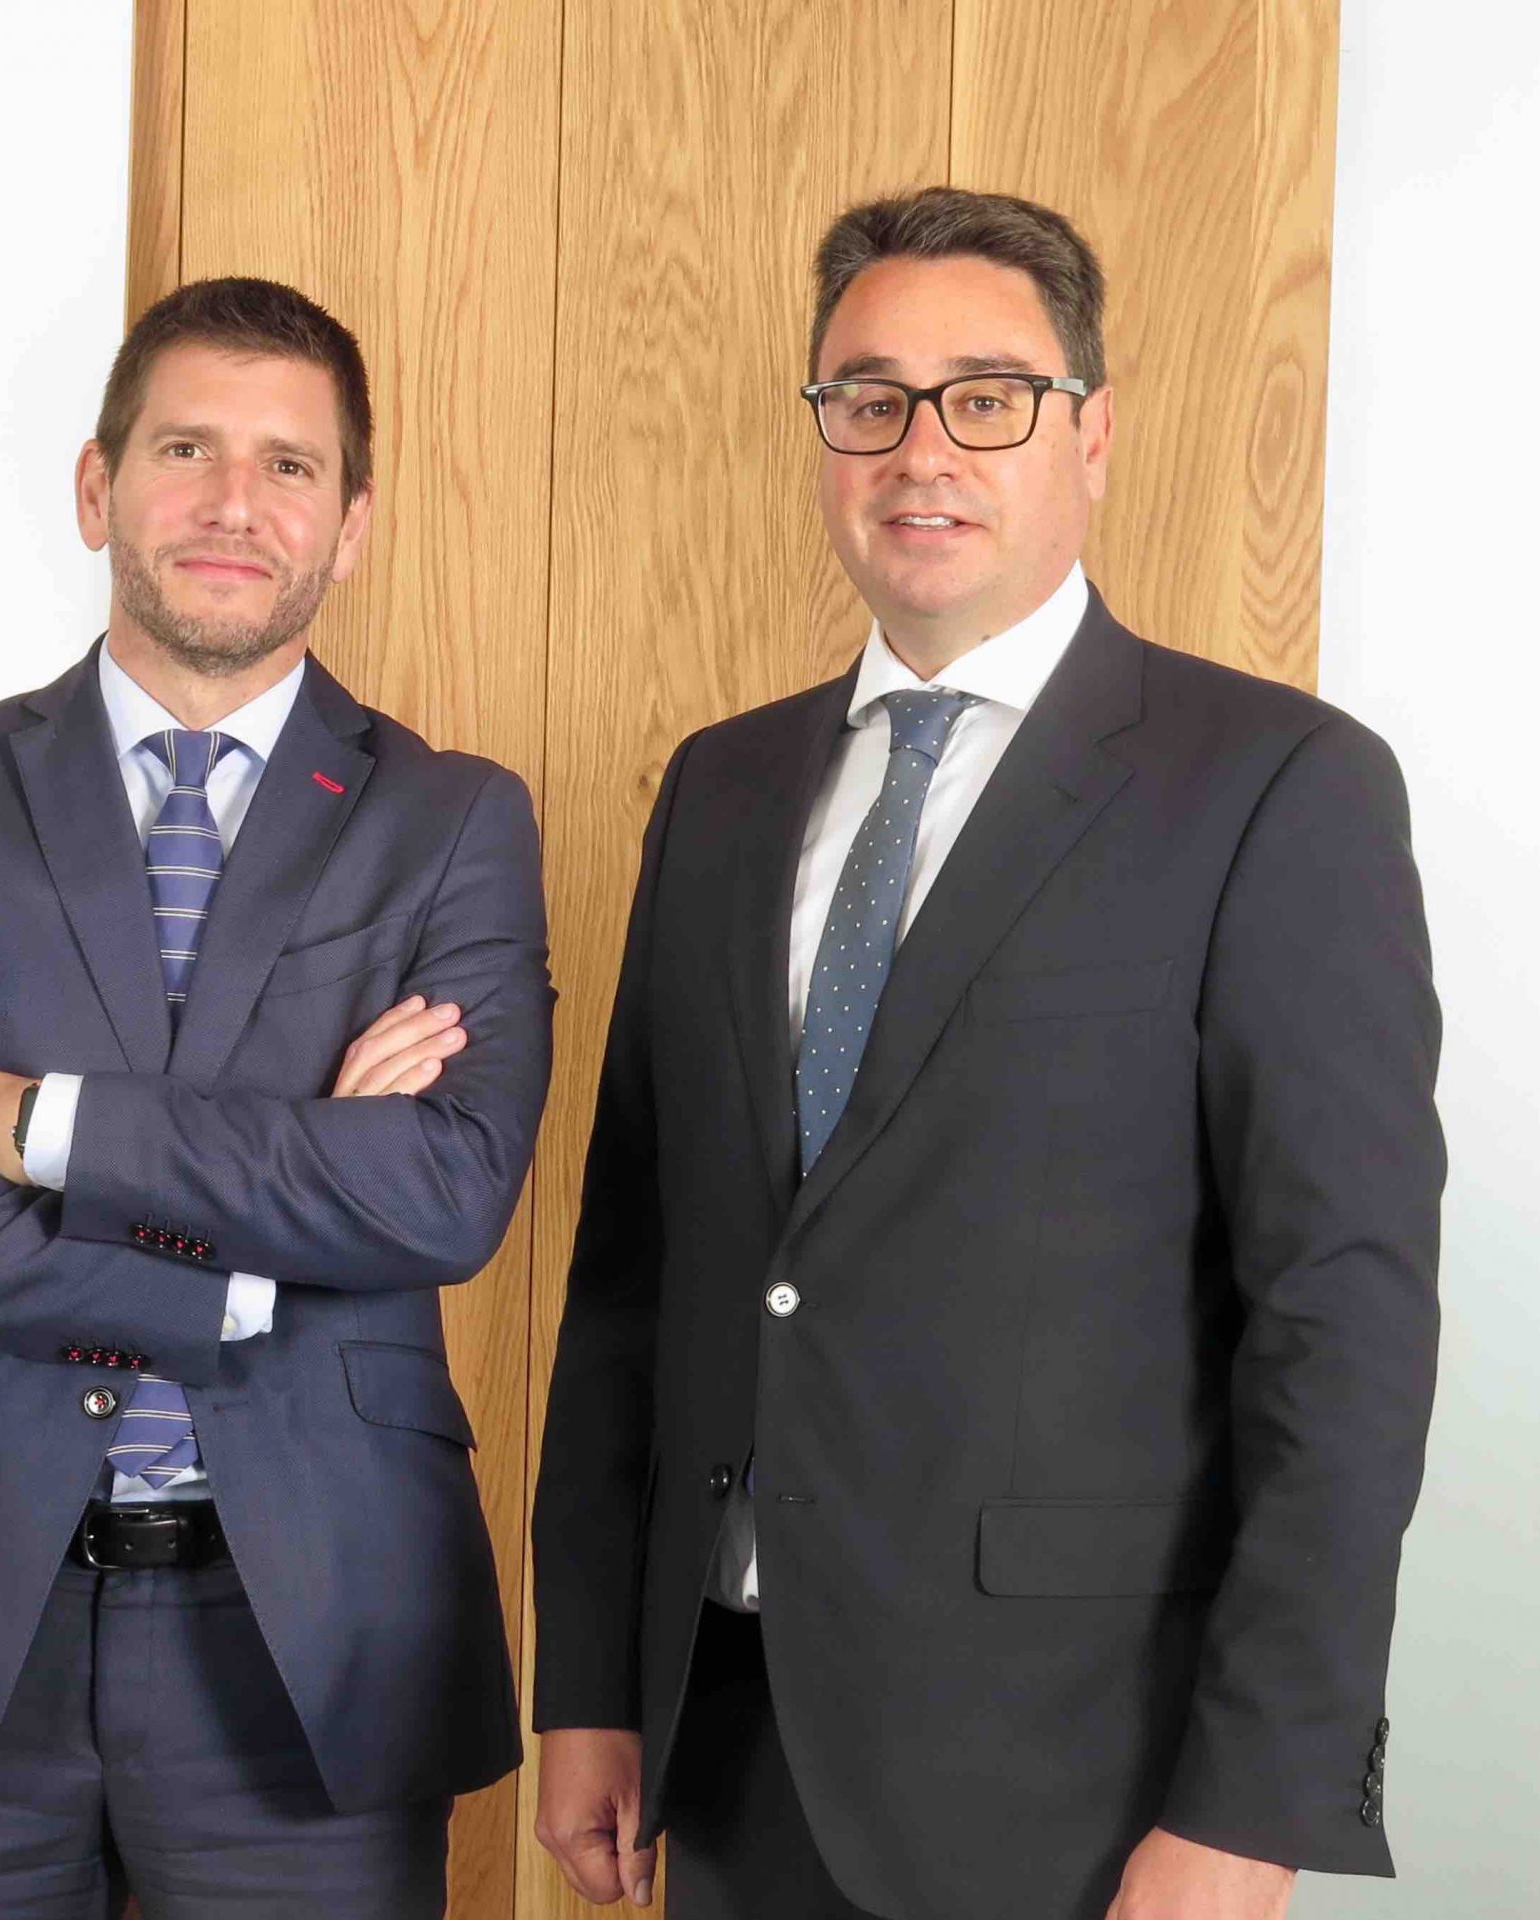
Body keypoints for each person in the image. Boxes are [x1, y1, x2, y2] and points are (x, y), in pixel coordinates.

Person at [530, 186, 1442, 1920]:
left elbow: (1343, 1328)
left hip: (1081, 1775)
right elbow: (635, 1276)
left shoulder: (1274, 785)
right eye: (868, 399)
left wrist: (1256, 1802)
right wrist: (589, 1680)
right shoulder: (721, 788)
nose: (921, 449)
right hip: (726, 1741)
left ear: (1090, 434)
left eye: (988, 396)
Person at [0, 275, 552, 1918]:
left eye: (290, 465)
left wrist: (48, 1130)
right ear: (97, 486)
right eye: (188, 449)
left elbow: (440, 1197)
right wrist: (261, 1246)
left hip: (314, 1635)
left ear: (351, 526)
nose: (232, 504)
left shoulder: (452, 822)